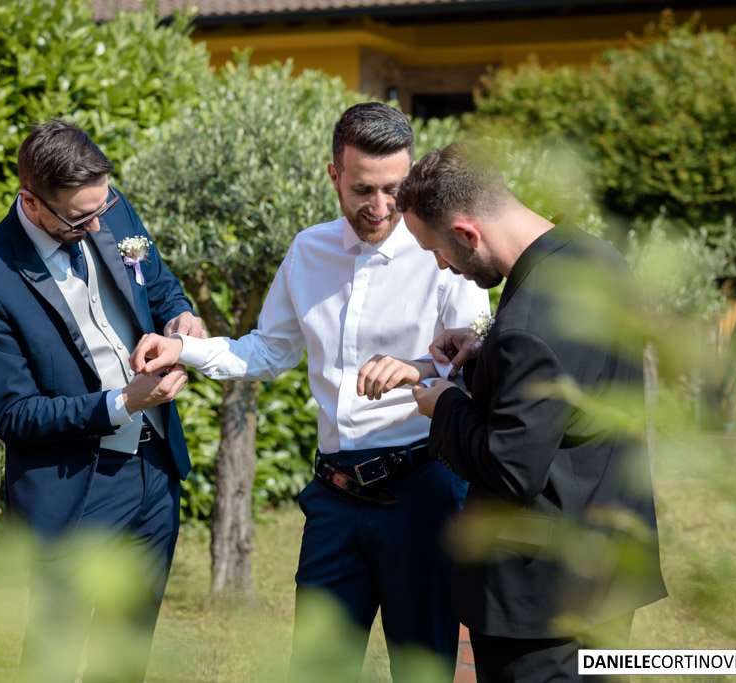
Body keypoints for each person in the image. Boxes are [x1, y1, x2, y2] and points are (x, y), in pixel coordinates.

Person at [129, 103, 489, 680]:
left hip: (423, 493)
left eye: (394, 189)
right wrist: (184, 350)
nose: (379, 207)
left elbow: (473, 356)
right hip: (333, 499)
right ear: (333, 177)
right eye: (363, 190)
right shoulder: (307, 251)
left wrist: (416, 367)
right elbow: (268, 351)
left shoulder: (443, 255)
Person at [387, 143, 668, 682]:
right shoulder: (596, 257)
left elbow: (512, 467)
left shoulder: (527, 325)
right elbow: (564, 389)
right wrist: (482, 351)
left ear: (468, 233)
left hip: (540, 602)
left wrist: (442, 405)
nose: (442, 267)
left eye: (437, 251)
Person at [0, 119, 204, 683]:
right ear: (31, 202)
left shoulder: (108, 208)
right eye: (80, 218)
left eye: (103, 207)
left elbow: (160, 286)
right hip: (74, 493)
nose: (98, 224)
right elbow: (14, 415)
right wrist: (122, 402)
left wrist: (180, 320)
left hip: (155, 469)